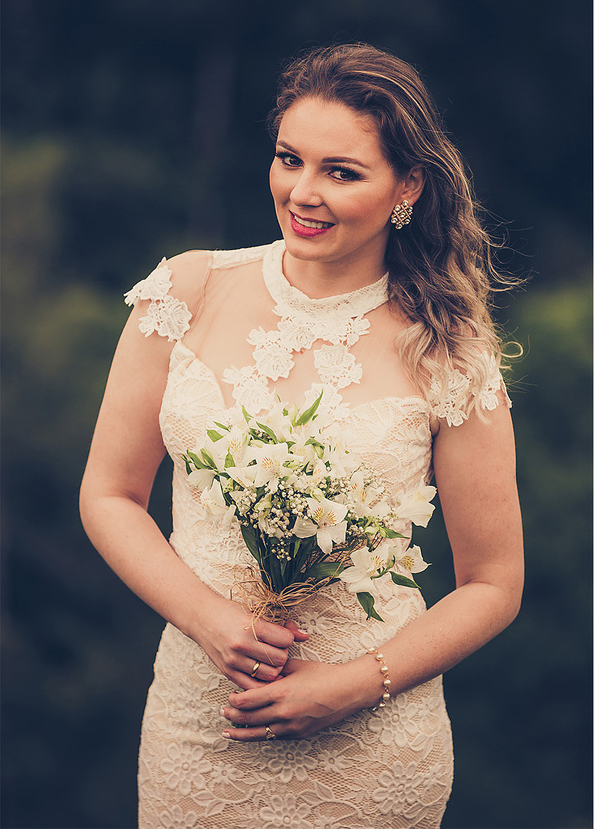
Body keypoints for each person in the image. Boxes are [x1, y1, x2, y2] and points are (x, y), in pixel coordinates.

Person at [80, 43, 524, 828]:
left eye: (341, 172)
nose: (302, 193)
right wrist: (207, 618)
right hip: (199, 723)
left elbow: (493, 584)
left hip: (372, 744)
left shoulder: (448, 347)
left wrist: (358, 681)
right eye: (290, 159)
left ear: (407, 187)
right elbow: (110, 495)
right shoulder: (187, 290)